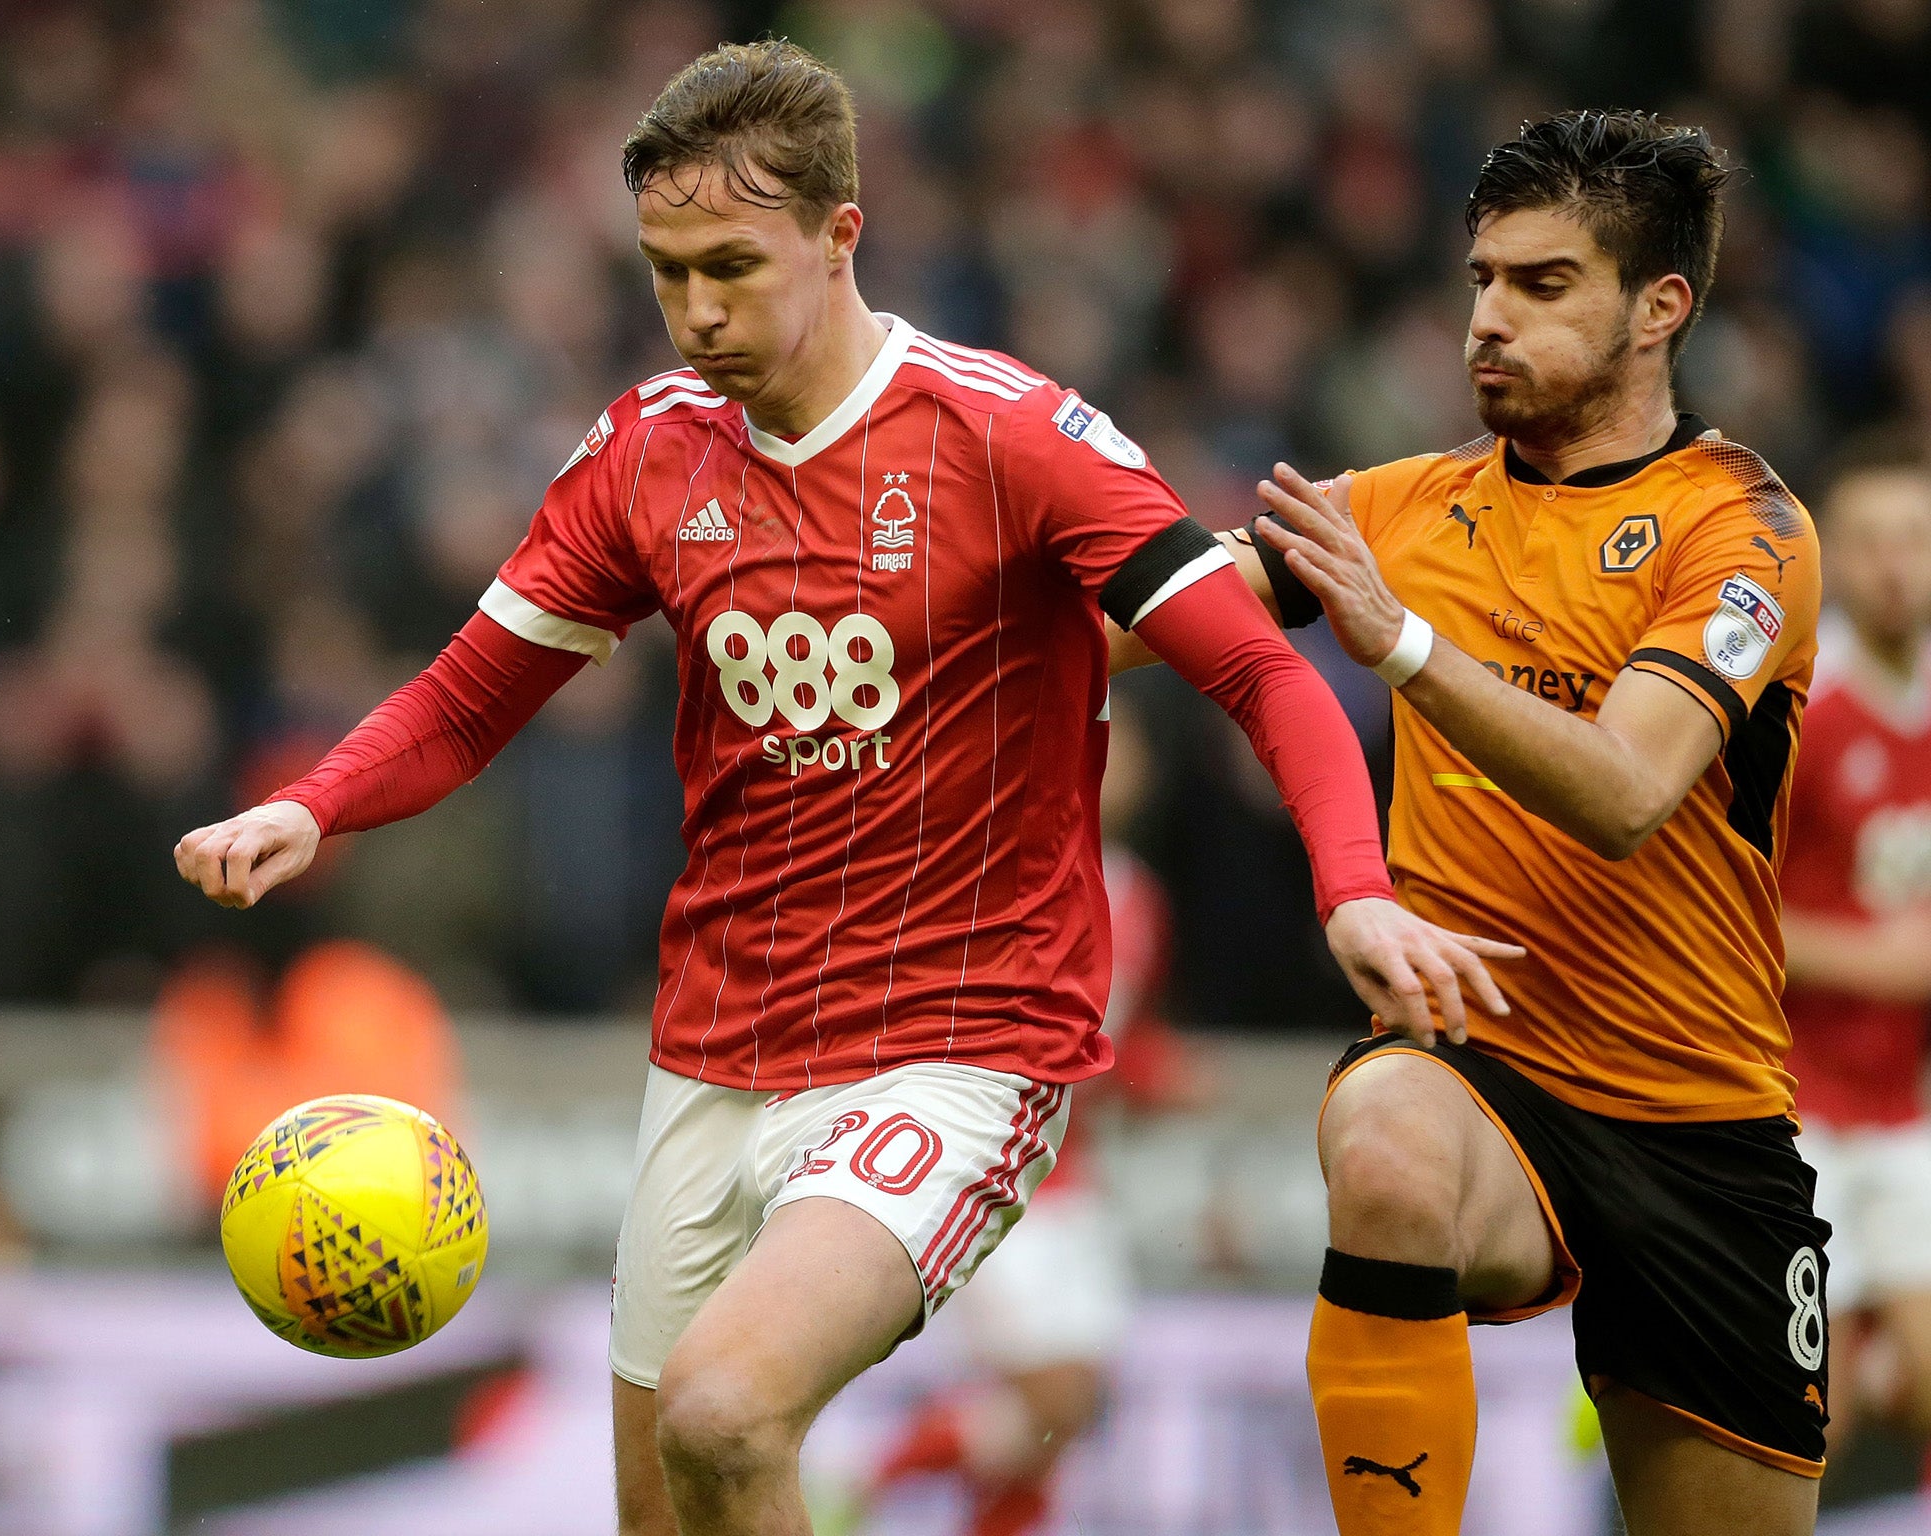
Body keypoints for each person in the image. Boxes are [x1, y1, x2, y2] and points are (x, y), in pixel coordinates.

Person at [173, 42, 1514, 1536]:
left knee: (728, 1405)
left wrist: (1355, 890)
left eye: (733, 265)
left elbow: (1261, 671)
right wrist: (313, 803)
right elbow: (473, 695)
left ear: (841, 231)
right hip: (713, 1050)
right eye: (666, 271)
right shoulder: (645, 454)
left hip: (957, 1040)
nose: (696, 311)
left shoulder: (1008, 435)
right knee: (672, 1497)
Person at [1116, 110, 1829, 1535]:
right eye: (1483, 280)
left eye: (1544, 285)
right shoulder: (1400, 509)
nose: (1488, 321)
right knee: (1384, 1143)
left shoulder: (1743, 533)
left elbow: (1629, 793)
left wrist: (1402, 646)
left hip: (1701, 1126)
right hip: (1482, 1071)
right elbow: (1129, 618)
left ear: (1660, 307)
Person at [844, 696, 1190, 1536]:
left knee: (1054, 1422)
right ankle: (856, 1484)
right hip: (992, 1173)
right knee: (1051, 1399)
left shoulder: (1140, 896)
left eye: (1130, 740)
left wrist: (1157, 1075)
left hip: (1076, 1185)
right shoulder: (1004, 871)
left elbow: (1112, 1045)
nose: (1121, 760)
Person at [1778, 460, 1931, 1453]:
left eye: (1914, 542)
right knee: (1800, 1412)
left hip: (1903, 1100)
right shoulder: (1796, 713)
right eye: (1870, 542)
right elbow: (1729, 915)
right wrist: (1881, 964)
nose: (1894, 568)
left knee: (1923, 1380)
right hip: (1796, 1102)